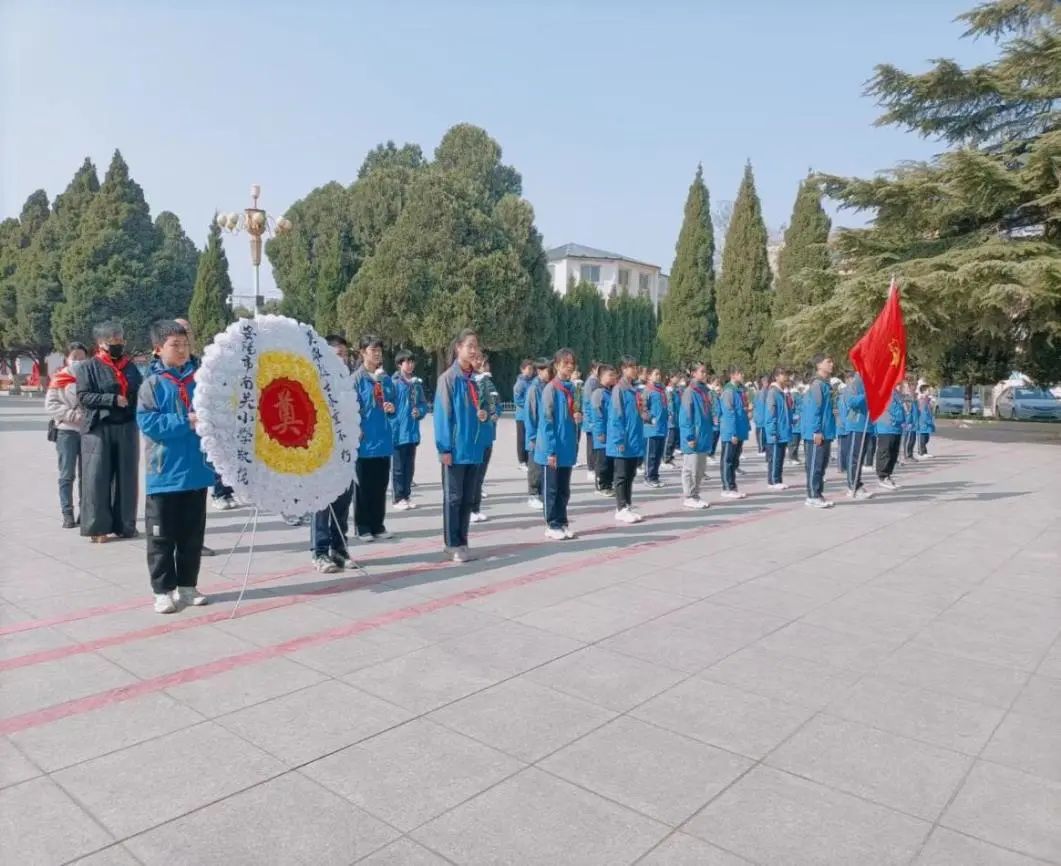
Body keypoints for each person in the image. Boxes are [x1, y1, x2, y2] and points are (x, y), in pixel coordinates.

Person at [137, 320, 215, 613]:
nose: (182, 350)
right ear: (158, 349)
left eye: (185, 344)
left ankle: (187, 585)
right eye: (175, 345)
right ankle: (162, 590)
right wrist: (186, 421)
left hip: (196, 471)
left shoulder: (201, 380)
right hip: (164, 474)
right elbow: (148, 423)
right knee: (161, 537)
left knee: (192, 536)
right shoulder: (152, 385)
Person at [76, 321, 143, 543]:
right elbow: (84, 396)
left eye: (120, 340)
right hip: (99, 427)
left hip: (126, 426)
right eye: (113, 341)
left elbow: (140, 391)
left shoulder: (130, 366)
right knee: (97, 477)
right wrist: (111, 399)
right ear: (100, 343)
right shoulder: (88, 367)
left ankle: (125, 526)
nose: (118, 344)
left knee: (127, 477)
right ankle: (97, 528)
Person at [434, 329, 488, 562]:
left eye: (476, 346)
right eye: (470, 346)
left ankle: (463, 540)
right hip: (456, 450)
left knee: (468, 498)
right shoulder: (448, 379)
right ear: (458, 348)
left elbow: (485, 408)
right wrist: (444, 448)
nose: (474, 350)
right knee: (453, 498)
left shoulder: (476, 380)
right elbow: (442, 416)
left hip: (474, 449)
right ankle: (451, 543)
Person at [308, 337, 358, 573]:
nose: (342, 359)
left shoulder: (348, 383)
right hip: (321, 453)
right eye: (337, 354)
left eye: (345, 355)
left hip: (345, 452)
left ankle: (340, 549)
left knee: (343, 501)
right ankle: (319, 552)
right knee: (321, 503)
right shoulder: (313, 382)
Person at [351, 335, 396, 541]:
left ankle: (378, 524)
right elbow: (351, 409)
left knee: (380, 485)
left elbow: (393, 403)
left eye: (379, 350)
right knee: (363, 487)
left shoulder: (386, 378)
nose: (377, 354)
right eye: (372, 350)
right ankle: (362, 526)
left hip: (383, 440)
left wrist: (391, 407)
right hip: (365, 441)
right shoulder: (356, 380)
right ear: (362, 353)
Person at [536, 348, 581, 540]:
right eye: (565, 363)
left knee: (564, 489)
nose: (569, 367)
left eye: (572, 363)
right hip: (552, 450)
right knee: (552, 489)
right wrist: (550, 451)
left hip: (567, 447)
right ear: (556, 365)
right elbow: (547, 421)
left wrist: (579, 417)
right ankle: (551, 523)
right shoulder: (551, 390)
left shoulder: (573, 389)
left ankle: (562, 521)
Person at [45, 342, 89, 528]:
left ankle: (85, 512)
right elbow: (51, 405)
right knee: (66, 474)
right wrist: (73, 415)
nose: (78, 360)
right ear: (67, 359)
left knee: (86, 475)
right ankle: (67, 513)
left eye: (81, 357)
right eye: (74, 357)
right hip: (66, 432)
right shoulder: (59, 379)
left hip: (87, 432)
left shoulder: (91, 377)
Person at [607, 356, 647, 522]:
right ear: (623, 369)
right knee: (622, 475)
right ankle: (621, 507)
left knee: (630, 474)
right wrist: (619, 441)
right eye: (631, 367)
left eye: (635, 366)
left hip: (634, 439)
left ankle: (627, 505)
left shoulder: (634, 389)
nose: (634, 369)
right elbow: (617, 416)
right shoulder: (619, 389)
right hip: (623, 440)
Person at [390, 349, 427, 511]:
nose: (410, 364)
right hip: (398, 432)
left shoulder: (416, 384)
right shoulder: (393, 383)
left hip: (412, 432)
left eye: (412, 362)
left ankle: (406, 495)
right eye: (407, 361)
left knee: (409, 466)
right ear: (399, 364)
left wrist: (419, 411)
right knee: (398, 468)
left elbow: (423, 404)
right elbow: (387, 404)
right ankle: (398, 497)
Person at [802, 354, 837, 508]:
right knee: (815, 465)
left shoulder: (825, 384)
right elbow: (814, 409)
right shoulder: (817, 384)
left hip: (826, 431)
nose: (831, 364)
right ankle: (812, 495)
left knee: (821, 465)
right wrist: (816, 430)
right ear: (819, 365)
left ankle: (818, 493)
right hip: (818, 432)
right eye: (828, 361)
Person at [470, 353, 501, 523]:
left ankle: (476, 507)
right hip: (476, 435)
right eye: (480, 363)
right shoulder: (472, 381)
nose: (483, 366)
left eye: (484, 363)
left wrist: (496, 413)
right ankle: (471, 509)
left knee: (480, 474)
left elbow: (496, 403)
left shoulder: (488, 382)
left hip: (489, 433)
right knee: (473, 475)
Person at [678, 362, 713, 509]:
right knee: (690, 468)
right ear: (693, 373)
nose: (705, 374)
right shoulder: (690, 392)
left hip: (704, 435)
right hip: (694, 436)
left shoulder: (704, 391)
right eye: (702, 372)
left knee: (699, 469)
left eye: (706, 372)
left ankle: (696, 494)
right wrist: (689, 436)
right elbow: (685, 416)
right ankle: (689, 496)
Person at [718, 366, 750, 499]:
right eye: (740, 373)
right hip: (731, 431)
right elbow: (728, 413)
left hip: (739, 430)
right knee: (728, 460)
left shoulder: (739, 390)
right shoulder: (729, 391)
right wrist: (732, 433)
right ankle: (727, 487)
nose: (742, 375)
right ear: (733, 375)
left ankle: (732, 485)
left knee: (734, 460)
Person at [524, 358, 552, 509]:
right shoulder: (534, 389)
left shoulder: (548, 386)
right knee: (534, 466)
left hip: (545, 434)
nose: (551, 373)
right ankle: (533, 494)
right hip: (536, 435)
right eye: (548, 370)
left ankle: (542, 493)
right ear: (540, 371)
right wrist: (532, 437)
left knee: (543, 465)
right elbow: (531, 415)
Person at [843, 371, 875, 500]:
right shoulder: (856, 383)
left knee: (860, 457)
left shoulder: (869, 382)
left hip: (867, 424)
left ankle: (857, 483)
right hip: (857, 424)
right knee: (854, 457)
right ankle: (853, 486)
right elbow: (851, 402)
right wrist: (866, 395)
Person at [764, 367, 793, 490]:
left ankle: (776, 479)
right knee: (775, 456)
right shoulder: (773, 392)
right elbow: (771, 413)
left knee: (780, 456)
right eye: (782, 374)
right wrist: (772, 431)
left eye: (785, 374)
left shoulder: (783, 392)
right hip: (777, 430)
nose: (785, 377)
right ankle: (774, 480)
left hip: (783, 429)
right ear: (776, 377)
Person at [591, 365, 616, 496]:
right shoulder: (598, 393)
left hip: (611, 433)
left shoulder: (610, 392)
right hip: (602, 434)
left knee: (610, 461)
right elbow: (597, 414)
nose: (613, 378)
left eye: (614, 375)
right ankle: (601, 485)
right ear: (601, 377)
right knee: (603, 462)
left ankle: (608, 484)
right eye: (610, 375)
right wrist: (600, 432)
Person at [874, 386, 905, 490]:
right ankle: (882, 476)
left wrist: (903, 420)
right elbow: (890, 409)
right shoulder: (884, 391)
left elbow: (901, 409)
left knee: (893, 453)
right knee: (885, 452)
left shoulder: (896, 392)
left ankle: (888, 475)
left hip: (896, 428)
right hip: (886, 426)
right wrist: (898, 419)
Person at [642, 368, 669, 487]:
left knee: (658, 454)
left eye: (659, 374)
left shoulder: (661, 390)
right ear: (649, 376)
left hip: (662, 427)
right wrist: (649, 418)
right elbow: (642, 408)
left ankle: (655, 476)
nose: (658, 376)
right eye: (656, 374)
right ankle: (648, 477)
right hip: (651, 428)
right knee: (651, 454)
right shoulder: (648, 390)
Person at [513, 359, 534, 472]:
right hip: (521, 415)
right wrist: (528, 406)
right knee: (521, 439)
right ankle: (522, 461)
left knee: (528, 437)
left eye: (532, 369)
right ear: (522, 369)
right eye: (528, 369)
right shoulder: (520, 383)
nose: (531, 371)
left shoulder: (532, 381)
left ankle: (528, 460)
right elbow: (517, 399)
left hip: (530, 415)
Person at [581, 362, 600, 483]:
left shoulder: (596, 381)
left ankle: (595, 468)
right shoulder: (591, 382)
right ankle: (591, 469)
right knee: (591, 446)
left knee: (595, 445)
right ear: (593, 369)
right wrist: (590, 419)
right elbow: (588, 402)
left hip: (595, 419)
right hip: (591, 420)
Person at [664, 373, 682, 466]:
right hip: (671, 419)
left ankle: (670, 457)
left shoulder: (677, 390)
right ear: (671, 378)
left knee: (674, 439)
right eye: (676, 377)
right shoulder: (668, 390)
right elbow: (669, 404)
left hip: (677, 418)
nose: (678, 379)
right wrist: (670, 415)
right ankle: (665, 459)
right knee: (670, 440)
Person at [915, 384, 936, 458]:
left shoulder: (928, 400)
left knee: (926, 438)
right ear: (924, 391)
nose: (930, 391)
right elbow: (923, 412)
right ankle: (921, 452)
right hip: (923, 422)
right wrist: (926, 421)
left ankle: (924, 451)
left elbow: (930, 411)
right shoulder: (922, 400)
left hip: (928, 422)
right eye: (928, 390)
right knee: (922, 438)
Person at [835, 375, 850, 476]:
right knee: (842, 448)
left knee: (846, 448)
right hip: (842, 426)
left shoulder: (843, 397)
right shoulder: (842, 398)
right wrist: (846, 425)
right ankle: (841, 467)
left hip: (845, 425)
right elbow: (844, 412)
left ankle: (845, 466)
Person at [787, 379, 804, 465]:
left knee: (797, 441)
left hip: (799, 422)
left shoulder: (799, 394)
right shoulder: (793, 394)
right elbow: (792, 408)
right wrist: (794, 418)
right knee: (793, 441)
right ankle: (791, 457)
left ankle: (795, 457)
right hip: (795, 421)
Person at [707, 375, 722, 464]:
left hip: (719, 416)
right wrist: (713, 416)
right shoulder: (710, 392)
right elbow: (710, 405)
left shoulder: (717, 392)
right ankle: (709, 453)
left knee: (717, 435)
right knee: (713, 436)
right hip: (714, 417)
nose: (717, 383)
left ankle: (712, 453)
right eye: (716, 382)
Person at [753, 375, 769, 456]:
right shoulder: (760, 392)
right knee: (761, 434)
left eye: (767, 382)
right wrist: (756, 416)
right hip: (760, 417)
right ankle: (761, 449)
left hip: (764, 417)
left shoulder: (767, 391)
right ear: (762, 382)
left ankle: (764, 448)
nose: (767, 383)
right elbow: (755, 405)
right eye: (765, 382)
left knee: (764, 434)